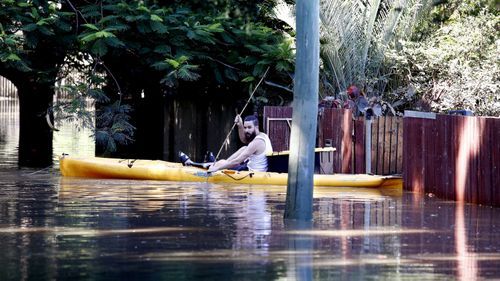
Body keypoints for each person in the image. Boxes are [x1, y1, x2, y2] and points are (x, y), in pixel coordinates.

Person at [207, 114, 273, 172]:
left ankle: (218, 164)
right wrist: (240, 125)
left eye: (249, 127)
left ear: (256, 127)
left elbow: (237, 161)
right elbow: (244, 140)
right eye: (245, 127)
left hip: (252, 172)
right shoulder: (262, 135)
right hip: (253, 167)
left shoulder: (257, 142)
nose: (246, 130)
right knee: (244, 148)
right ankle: (223, 163)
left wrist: (217, 168)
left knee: (221, 164)